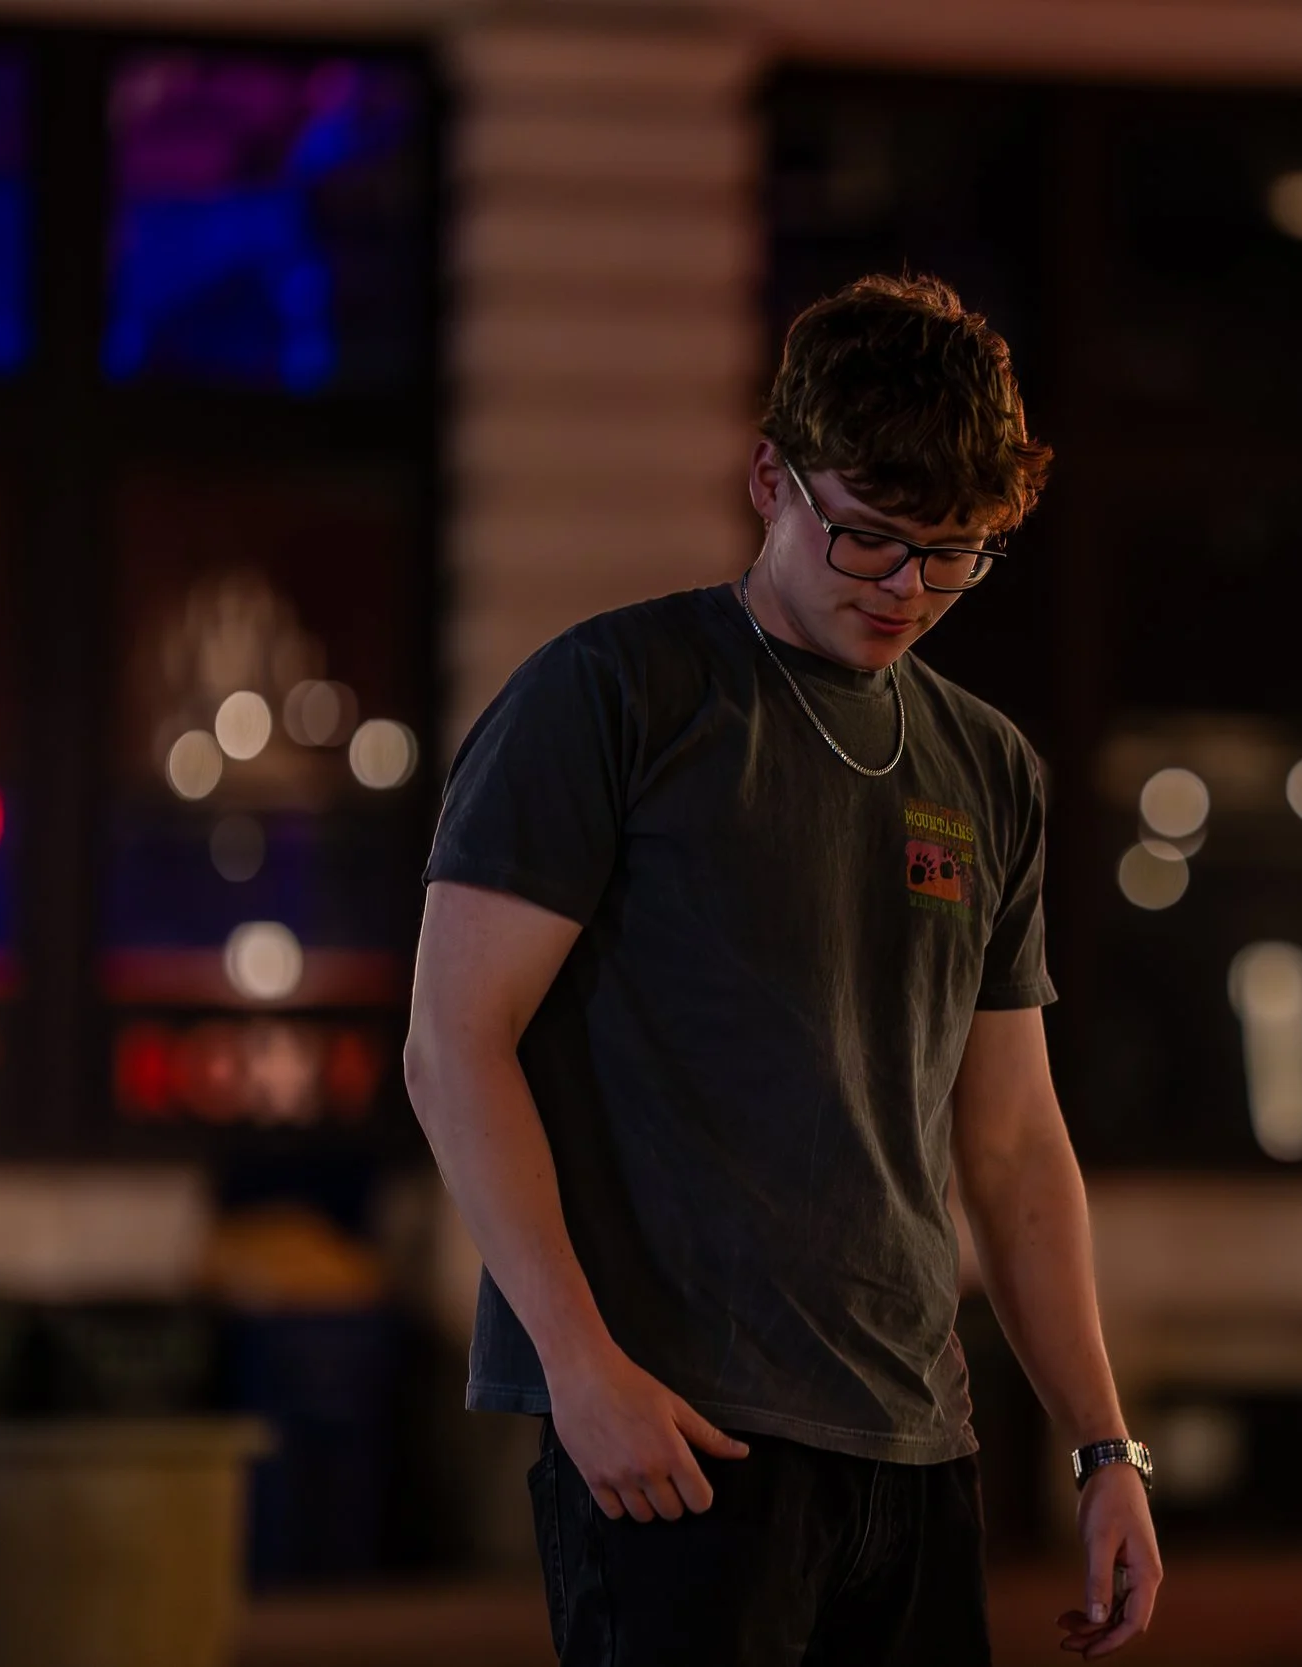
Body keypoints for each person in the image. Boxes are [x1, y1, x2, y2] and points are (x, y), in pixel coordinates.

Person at [403, 273, 1162, 1664]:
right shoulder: (614, 695)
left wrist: (1103, 1442)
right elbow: (455, 1040)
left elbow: (1011, 1140)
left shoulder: (989, 767)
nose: (909, 590)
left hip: (918, 1447)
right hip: (679, 1438)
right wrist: (580, 1369)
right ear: (771, 477)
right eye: (870, 539)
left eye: (956, 554)